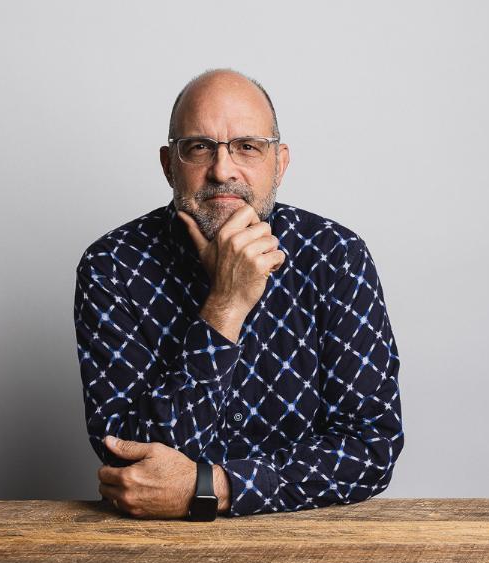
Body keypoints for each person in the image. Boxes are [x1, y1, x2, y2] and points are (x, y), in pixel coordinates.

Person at [73, 67, 404, 520]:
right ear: (169, 165)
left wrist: (212, 487)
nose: (222, 170)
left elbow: (370, 449)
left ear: (279, 163)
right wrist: (225, 305)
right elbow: (133, 464)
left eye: (247, 146)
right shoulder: (112, 266)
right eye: (199, 147)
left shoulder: (335, 256)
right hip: (154, 546)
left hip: (310, 537)